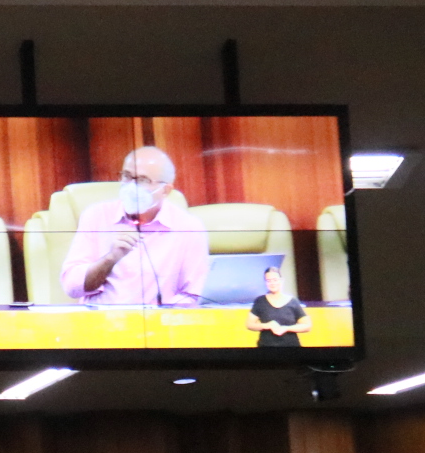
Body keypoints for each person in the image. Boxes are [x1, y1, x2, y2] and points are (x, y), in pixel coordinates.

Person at [58, 146, 210, 306]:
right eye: (127, 176)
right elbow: (71, 286)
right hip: (102, 318)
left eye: (143, 180)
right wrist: (110, 259)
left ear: (165, 190)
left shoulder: (189, 227)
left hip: (160, 319)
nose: (131, 186)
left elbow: (192, 295)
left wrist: (160, 315)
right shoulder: (96, 216)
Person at [247, 264, 310, 347]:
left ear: (281, 280)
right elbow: (250, 325)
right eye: (268, 281)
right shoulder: (260, 301)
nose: (272, 283)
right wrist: (267, 326)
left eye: (275, 280)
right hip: (266, 346)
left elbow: (307, 326)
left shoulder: (293, 301)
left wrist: (286, 328)